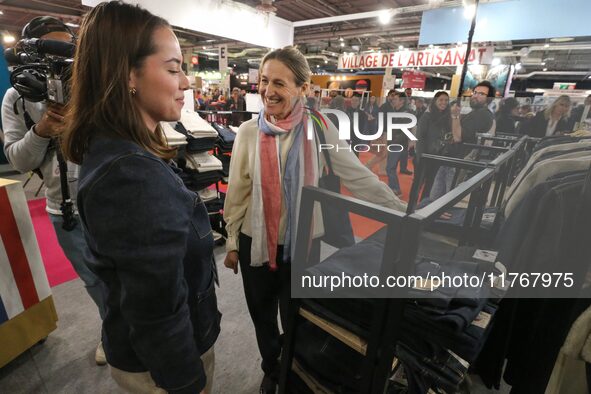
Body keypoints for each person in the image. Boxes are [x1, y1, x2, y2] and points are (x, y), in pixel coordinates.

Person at [222, 46, 405, 394]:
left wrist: (399, 208)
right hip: (254, 243)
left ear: (303, 88)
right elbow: (238, 192)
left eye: (279, 82)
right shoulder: (248, 131)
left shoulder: (320, 130)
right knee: (262, 317)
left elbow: (356, 176)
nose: (268, 90)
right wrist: (231, 241)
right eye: (264, 81)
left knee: (298, 317)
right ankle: (272, 368)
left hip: (304, 243)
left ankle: (295, 369)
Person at [61, 2, 220, 393]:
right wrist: (187, 384)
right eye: (172, 68)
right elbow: (156, 312)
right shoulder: (130, 176)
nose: (186, 82)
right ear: (128, 75)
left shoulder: (127, 152)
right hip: (161, 370)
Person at [1, 15, 108, 365]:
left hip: (108, 201)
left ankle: (129, 329)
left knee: (126, 273)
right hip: (66, 212)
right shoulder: (16, 99)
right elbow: (17, 159)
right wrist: (43, 130)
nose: (59, 63)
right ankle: (115, 331)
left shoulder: (93, 86)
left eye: (66, 52)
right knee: (95, 281)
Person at [415, 92, 462, 199]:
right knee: (418, 183)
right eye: (441, 100)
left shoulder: (448, 117)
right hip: (425, 155)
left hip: (439, 156)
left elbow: (452, 136)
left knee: (431, 184)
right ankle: (411, 208)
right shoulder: (427, 116)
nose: (444, 102)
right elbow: (420, 137)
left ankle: (423, 207)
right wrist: (420, 156)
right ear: (435, 101)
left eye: (446, 100)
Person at [380, 90, 413, 196]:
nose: (393, 100)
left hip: (397, 145)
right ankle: (392, 188)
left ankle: (396, 190)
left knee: (390, 167)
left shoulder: (406, 113)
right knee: (390, 167)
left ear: (401, 101)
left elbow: (405, 132)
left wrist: (392, 142)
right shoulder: (396, 111)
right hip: (395, 143)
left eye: (395, 99)